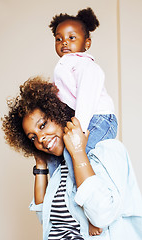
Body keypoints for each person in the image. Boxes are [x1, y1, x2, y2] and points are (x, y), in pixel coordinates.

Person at [1, 77, 142, 240]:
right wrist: (40, 165)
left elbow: (102, 216)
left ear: (58, 113)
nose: (40, 139)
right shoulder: (60, 169)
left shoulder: (108, 150)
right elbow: (46, 220)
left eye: (42, 125)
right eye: (33, 137)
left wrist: (78, 152)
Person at [49, 8, 117, 235]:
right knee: (60, 159)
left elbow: (87, 98)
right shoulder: (65, 66)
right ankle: (62, 208)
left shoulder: (86, 66)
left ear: (86, 43)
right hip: (83, 119)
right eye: (58, 39)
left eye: (71, 38)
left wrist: (79, 128)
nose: (64, 43)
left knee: (79, 157)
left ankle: (94, 214)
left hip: (98, 119)